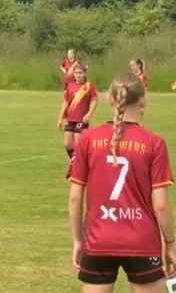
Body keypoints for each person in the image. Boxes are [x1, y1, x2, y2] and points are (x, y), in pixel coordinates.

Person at [68, 72, 175, 292]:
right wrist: (171, 243)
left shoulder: (88, 139)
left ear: (110, 100)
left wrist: (78, 240)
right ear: (144, 101)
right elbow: (161, 205)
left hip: (98, 240)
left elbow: (75, 197)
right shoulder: (154, 143)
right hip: (142, 241)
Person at [57, 64, 97, 159]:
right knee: (67, 144)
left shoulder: (89, 86)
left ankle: (78, 164)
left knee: (78, 144)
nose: (78, 75)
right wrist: (60, 118)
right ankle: (74, 161)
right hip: (70, 119)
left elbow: (94, 101)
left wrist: (89, 114)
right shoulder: (70, 86)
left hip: (81, 120)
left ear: (84, 73)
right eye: (76, 73)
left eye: (80, 73)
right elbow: (66, 102)